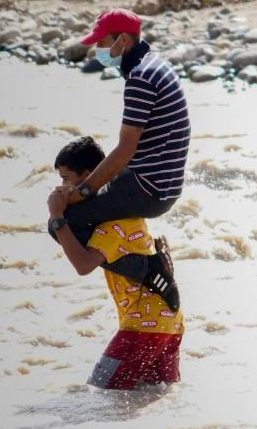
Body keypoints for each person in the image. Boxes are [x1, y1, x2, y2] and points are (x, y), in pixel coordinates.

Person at [48, 8, 189, 308]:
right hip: (159, 183)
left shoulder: (140, 78)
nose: (99, 50)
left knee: (62, 223)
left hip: (149, 188)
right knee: (83, 202)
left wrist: (83, 192)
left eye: (103, 42)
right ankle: (136, 258)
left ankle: (148, 269)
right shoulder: (155, 66)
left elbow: (126, 148)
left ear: (122, 41)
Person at [47, 137, 184, 390]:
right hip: (170, 323)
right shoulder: (127, 210)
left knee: (102, 392)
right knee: (150, 398)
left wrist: (57, 217)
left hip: (143, 326)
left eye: (66, 179)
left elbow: (83, 265)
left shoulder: (111, 224)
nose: (62, 187)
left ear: (88, 177)